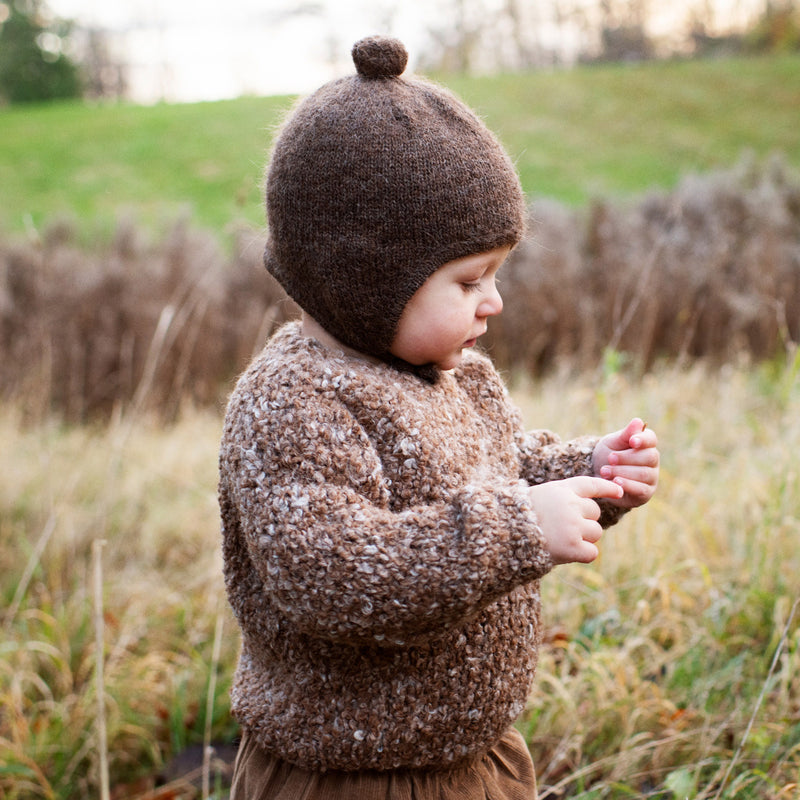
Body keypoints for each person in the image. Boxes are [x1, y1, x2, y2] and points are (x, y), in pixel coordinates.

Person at [218, 35, 659, 800]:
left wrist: (587, 474)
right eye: (468, 280)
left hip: (477, 757)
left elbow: (501, 471)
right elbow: (330, 573)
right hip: (351, 777)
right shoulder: (292, 402)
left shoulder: (457, 375)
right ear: (362, 280)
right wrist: (521, 528)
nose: (494, 301)